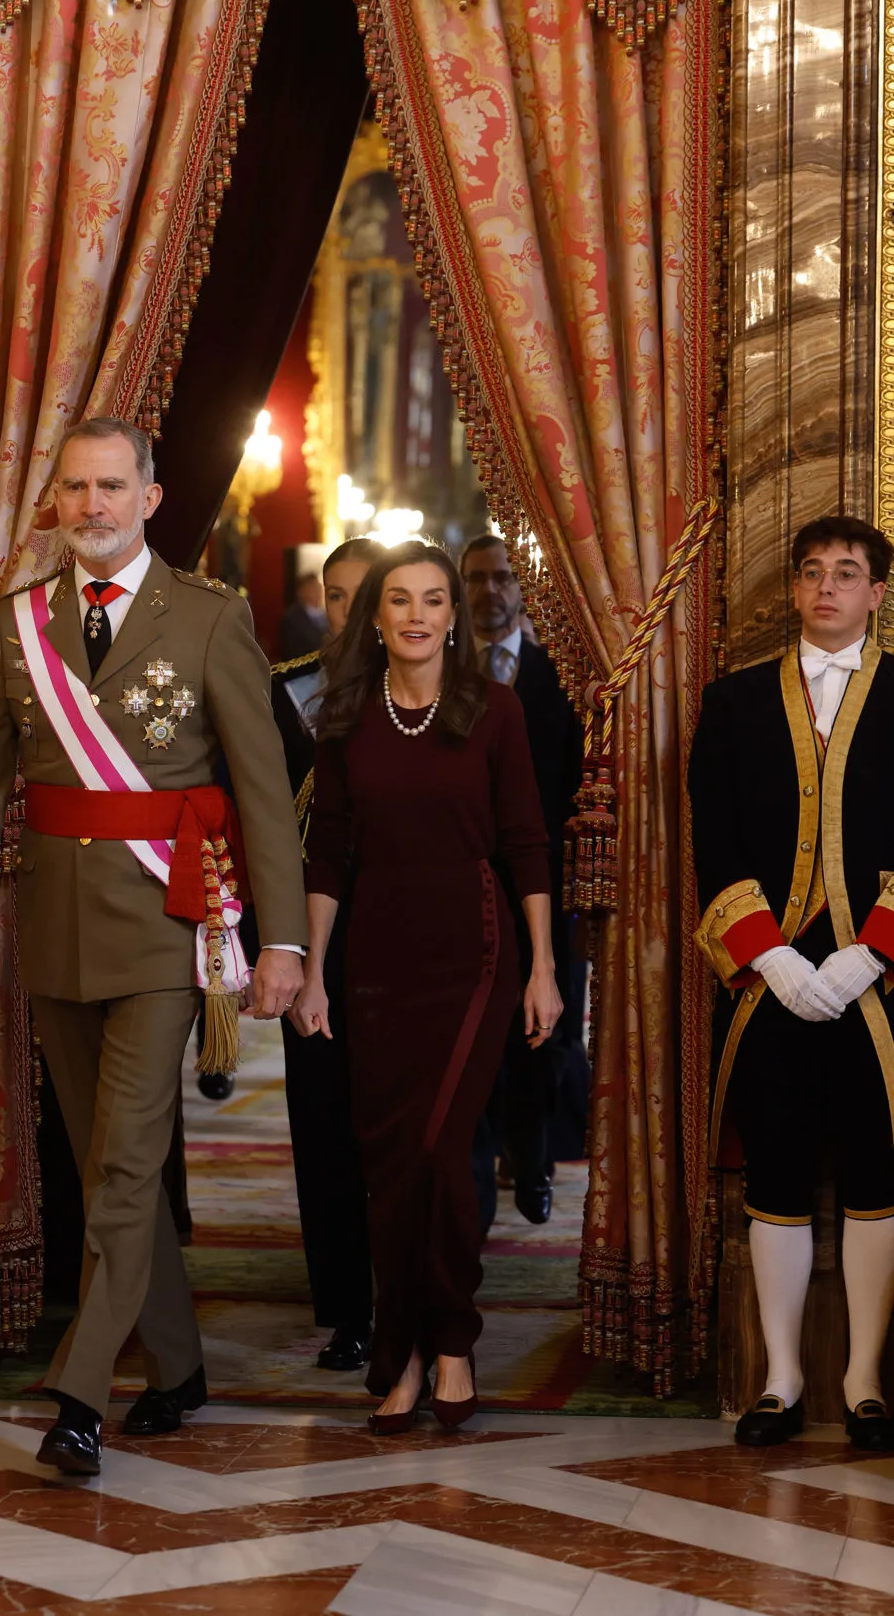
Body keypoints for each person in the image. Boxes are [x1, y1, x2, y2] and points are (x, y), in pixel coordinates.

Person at [0, 416, 307, 1478]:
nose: (90, 505)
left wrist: (281, 942)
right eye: (72, 488)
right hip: (52, 927)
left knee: (131, 1156)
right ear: (54, 502)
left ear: (151, 497)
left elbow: (264, 794)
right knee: (105, 1171)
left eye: (110, 485)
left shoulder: (211, 620)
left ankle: (81, 1392)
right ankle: (178, 1364)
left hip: (166, 926)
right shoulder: (15, 626)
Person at [293, 540, 561, 1433]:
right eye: (398, 599)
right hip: (374, 960)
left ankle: (446, 1343)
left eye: (433, 600)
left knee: (447, 1156)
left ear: (453, 617)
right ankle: (407, 1347)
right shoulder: (347, 716)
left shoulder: (495, 712)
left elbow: (526, 841)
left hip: (477, 954)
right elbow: (326, 851)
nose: (416, 615)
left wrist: (545, 970)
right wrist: (311, 973)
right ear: (373, 617)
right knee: (392, 1168)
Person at [689, 514, 894, 1449]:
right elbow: (715, 839)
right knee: (772, 1173)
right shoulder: (731, 703)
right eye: (810, 572)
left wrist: (871, 954)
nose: (824, 588)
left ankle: (863, 1382)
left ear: (875, 593)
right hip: (770, 986)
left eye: (844, 574)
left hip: (881, 992)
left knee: (873, 1175)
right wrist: (770, 956)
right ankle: (778, 1377)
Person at [270, 537, 381, 1371]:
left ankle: (414, 1291)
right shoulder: (284, 689)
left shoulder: (431, 690)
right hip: (311, 940)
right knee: (324, 1124)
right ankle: (345, 1307)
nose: (350, 611)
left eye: (366, 594)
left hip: (406, 927)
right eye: (336, 596)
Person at [461, 534, 585, 1226]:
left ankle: (532, 1166)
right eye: (476, 578)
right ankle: (477, 1167)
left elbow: (572, 785)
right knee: (473, 1032)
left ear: (523, 587)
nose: (490, 591)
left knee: (540, 1035)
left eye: (502, 578)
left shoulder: (556, 678)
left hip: (544, 888)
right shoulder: (440, 676)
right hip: (463, 885)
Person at [279, 571, 329, 659]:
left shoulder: (328, 614)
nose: (318, 591)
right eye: (313, 588)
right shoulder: (292, 618)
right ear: (301, 592)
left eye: (319, 587)